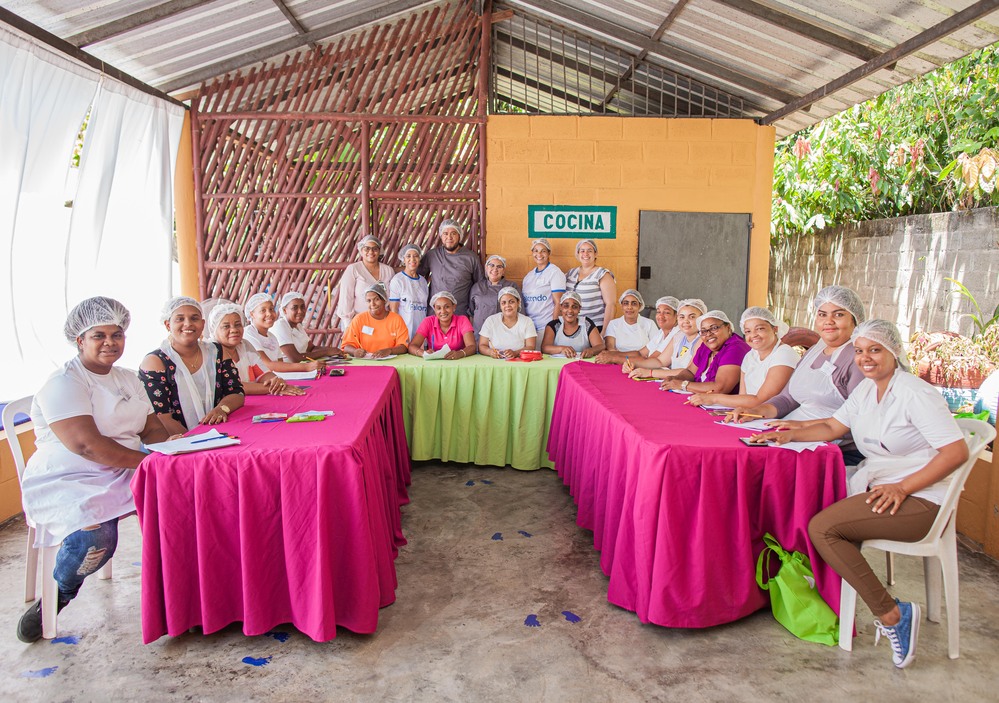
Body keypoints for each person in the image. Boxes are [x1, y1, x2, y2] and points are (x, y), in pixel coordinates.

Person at [750, 320, 969, 670]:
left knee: (824, 528)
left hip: (923, 499)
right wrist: (787, 434)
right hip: (884, 488)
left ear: (894, 351)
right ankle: (830, 599)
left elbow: (956, 452)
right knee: (818, 512)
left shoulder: (914, 393)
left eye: (875, 350)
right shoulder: (867, 389)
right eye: (859, 350)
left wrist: (903, 487)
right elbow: (832, 427)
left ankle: (894, 615)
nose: (865, 358)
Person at [17, 297, 170, 643]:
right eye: (99, 335)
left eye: (117, 335)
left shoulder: (128, 378)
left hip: (125, 468)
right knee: (94, 540)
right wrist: (153, 463)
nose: (110, 343)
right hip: (71, 477)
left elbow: (151, 429)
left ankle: (185, 591)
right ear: (79, 340)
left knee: (188, 500)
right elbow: (87, 446)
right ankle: (58, 596)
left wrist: (172, 451)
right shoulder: (64, 383)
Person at [728, 286, 868, 463]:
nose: (828, 321)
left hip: (830, 447)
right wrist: (755, 412)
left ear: (855, 319)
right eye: (822, 314)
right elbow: (787, 398)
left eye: (838, 315)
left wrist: (800, 429)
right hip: (791, 434)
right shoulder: (815, 350)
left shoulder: (859, 357)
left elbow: (857, 419)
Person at [139, 297, 245, 435]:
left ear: (202, 324)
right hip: (179, 441)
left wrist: (221, 409)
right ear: (168, 325)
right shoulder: (156, 361)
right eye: (180, 319)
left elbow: (236, 393)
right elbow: (161, 418)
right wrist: (197, 440)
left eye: (194, 318)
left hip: (220, 433)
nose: (188, 324)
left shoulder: (217, 352)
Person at [686, 306, 798, 408]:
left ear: (775, 329)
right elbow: (742, 396)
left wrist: (714, 398)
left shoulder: (784, 354)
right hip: (751, 413)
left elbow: (762, 401)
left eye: (760, 329)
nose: (753, 335)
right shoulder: (750, 355)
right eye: (748, 331)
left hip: (774, 416)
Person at [207, 302, 305, 396]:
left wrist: (276, 381)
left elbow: (262, 373)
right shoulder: (212, 351)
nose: (234, 330)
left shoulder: (244, 345)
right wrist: (272, 388)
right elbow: (233, 386)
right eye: (226, 326)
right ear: (214, 330)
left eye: (237, 324)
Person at [659, 310, 750, 395]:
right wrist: (675, 378)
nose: (708, 334)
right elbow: (690, 372)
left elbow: (721, 388)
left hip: (725, 405)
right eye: (703, 331)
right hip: (702, 400)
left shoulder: (736, 348)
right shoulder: (706, 346)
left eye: (714, 328)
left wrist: (683, 385)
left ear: (728, 328)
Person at [242, 293, 327, 375]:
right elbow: (268, 365)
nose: (269, 314)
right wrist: (306, 367)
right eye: (263, 310)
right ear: (252, 314)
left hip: (273, 379)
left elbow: (280, 364)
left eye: (271, 309)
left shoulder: (272, 337)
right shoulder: (249, 333)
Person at [418, 218, 483, 317]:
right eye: (445, 233)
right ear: (441, 236)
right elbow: (415, 273)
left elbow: (480, 284)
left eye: (453, 233)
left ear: (459, 235)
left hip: (460, 314)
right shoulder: (433, 255)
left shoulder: (471, 258)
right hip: (435, 313)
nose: (449, 237)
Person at [335, 235, 395, 331]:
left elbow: (392, 298)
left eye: (375, 249)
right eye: (367, 248)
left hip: (383, 322)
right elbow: (346, 297)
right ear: (361, 250)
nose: (371, 252)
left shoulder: (388, 270)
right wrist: (348, 324)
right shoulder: (354, 269)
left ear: (379, 251)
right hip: (358, 322)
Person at [340, 283, 410, 358]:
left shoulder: (396, 319)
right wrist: (355, 351)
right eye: (369, 301)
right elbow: (346, 346)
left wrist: (389, 351)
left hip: (390, 362)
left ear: (384, 300)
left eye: (376, 299)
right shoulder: (359, 319)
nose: (372, 304)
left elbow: (404, 347)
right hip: (365, 362)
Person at [272, 291, 343, 363]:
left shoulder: (298, 326)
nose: (300, 311)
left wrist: (333, 350)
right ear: (284, 310)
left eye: (302, 307)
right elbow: (295, 358)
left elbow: (311, 349)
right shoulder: (280, 326)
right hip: (288, 368)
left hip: (301, 366)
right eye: (295, 308)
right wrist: (326, 352)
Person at [620, 296, 682, 374]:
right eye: (658, 312)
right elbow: (642, 354)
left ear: (677, 316)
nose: (661, 316)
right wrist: (631, 363)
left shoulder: (678, 333)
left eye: (667, 313)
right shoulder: (661, 332)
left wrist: (615, 359)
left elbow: (655, 359)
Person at [565, 239, 616, 330]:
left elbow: (611, 305)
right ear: (578, 254)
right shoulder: (571, 273)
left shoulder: (603, 274)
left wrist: (605, 332)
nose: (586, 254)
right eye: (582, 251)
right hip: (573, 327)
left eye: (589, 251)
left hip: (594, 327)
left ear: (595, 254)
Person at [594, 289, 657, 363]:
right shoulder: (613, 324)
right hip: (617, 363)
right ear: (622, 306)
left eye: (634, 304)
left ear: (639, 306)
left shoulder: (649, 324)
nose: (629, 307)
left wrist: (619, 356)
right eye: (626, 303)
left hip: (643, 363)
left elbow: (655, 348)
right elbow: (610, 349)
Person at [408, 291, 476, 360]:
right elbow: (412, 346)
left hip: (458, 362)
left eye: (447, 307)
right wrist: (423, 353)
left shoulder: (462, 320)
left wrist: (460, 353)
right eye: (438, 308)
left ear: (454, 307)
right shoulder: (428, 321)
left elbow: (472, 346)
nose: (443, 311)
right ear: (434, 309)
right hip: (434, 363)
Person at [467, 254, 519, 338]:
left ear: (503, 271)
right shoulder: (477, 287)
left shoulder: (512, 286)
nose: (495, 269)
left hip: (503, 334)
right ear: (486, 268)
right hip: (479, 333)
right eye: (491, 265)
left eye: (499, 267)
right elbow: (471, 313)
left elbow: (520, 312)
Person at [478, 287, 538, 359]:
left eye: (511, 302)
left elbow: (531, 346)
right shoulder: (491, 321)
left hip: (519, 362)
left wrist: (516, 353)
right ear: (500, 306)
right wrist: (490, 352)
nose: (507, 305)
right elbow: (482, 345)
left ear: (518, 302)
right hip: (494, 362)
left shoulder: (527, 321)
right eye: (503, 303)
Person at [541, 292, 604, 359]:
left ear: (579, 309)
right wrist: (562, 349)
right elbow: (544, 348)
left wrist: (592, 350)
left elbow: (601, 346)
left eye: (574, 307)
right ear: (560, 307)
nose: (570, 310)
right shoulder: (553, 325)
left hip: (582, 364)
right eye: (566, 306)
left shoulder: (586, 324)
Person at [521, 238, 565, 334]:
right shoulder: (528, 276)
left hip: (546, 327)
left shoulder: (555, 272)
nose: (539, 254)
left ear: (549, 253)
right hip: (529, 328)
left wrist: (554, 327)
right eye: (536, 251)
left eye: (543, 251)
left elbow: (559, 302)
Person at [388, 243, 429, 340]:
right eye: (408, 256)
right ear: (403, 259)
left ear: (419, 259)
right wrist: (398, 331)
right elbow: (394, 309)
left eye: (416, 256)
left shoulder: (423, 281)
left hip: (421, 329)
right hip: (404, 329)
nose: (412, 259)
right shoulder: (398, 280)